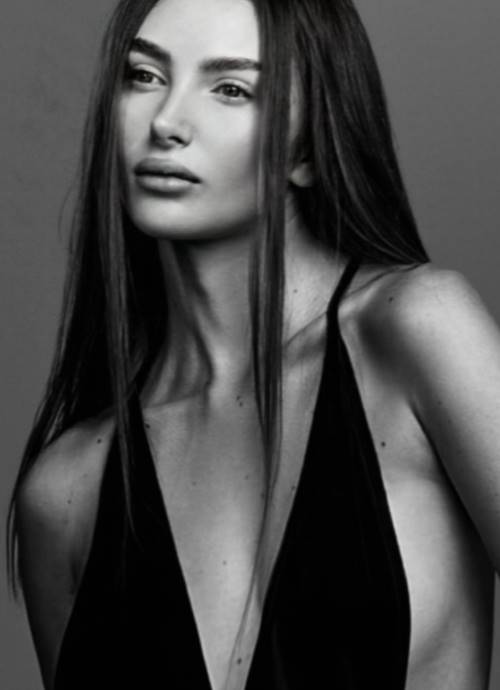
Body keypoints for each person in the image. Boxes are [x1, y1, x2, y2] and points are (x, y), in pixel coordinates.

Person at [6, 0, 500, 688]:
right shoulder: (66, 491)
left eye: (232, 88)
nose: (167, 122)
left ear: (308, 149)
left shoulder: (416, 332)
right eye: (145, 76)